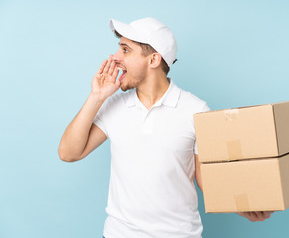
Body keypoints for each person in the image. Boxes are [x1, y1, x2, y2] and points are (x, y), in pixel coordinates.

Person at [58, 17, 273, 238]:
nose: (115, 58)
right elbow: (68, 153)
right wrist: (96, 96)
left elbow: (207, 182)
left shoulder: (196, 110)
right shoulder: (114, 105)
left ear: (153, 60)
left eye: (125, 50)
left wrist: (245, 206)